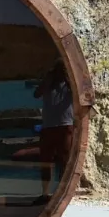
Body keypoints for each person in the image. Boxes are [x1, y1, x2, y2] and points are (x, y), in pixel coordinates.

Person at [33, 59, 74, 197]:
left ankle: (61, 191)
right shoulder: (48, 84)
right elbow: (36, 94)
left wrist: (68, 78)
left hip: (64, 125)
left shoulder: (69, 84)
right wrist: (48, 79)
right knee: (46, 161)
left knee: (65, 160)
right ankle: (45, 192)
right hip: (50, 126)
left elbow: (78, 94)